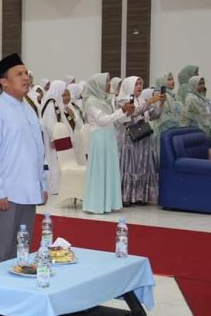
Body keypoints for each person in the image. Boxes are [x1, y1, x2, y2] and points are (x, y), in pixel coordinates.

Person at [0, 54, 47, 265]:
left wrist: (42, 183)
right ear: (3, 81)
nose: (25, 78)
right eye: (18, 74)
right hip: (7, 194)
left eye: (26, 73)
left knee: (22, 248)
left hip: (30, 190)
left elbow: (39, 150)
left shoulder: (28, 108)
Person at [81, 73, 134, 214]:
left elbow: (114, 120)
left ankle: (108, 203)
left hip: (109, 137)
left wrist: (127, 113)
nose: (109, 84)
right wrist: (121, 111)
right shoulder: (91, 101)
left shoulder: (104, 100)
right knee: (100, 170)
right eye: (106, 81)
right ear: (98, 84)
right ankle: (97, 205)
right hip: (99, 138)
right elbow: (103, 120)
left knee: (108, 169)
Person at [115, 76, 163, 206]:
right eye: (136, 84)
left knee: (142, 166)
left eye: (141, 83)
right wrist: (148, 103)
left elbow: (155, 115)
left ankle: (141, 195)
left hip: (144, 138)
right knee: (130, 167)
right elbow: (132, 114)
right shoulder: (122, 101)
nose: (139, 86)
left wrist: (160, 103)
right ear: (129, 85)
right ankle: (127, 196)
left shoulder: (142, 100)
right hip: (129, 140)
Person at [40, 80, 69, 194]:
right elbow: (49, 123)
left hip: (56, 137)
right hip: (52, 138)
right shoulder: (50, 104)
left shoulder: (55, 102)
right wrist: (54, 137)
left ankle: (57, 186)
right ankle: (52, 188)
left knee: (57, 162)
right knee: (52, 162)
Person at [152, 73, 182, 151]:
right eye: (169, 79)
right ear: (162, 82)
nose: (172, 81)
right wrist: (179, 124)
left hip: (172, 130)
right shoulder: (159, 95)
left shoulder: (172, 95)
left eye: (172, 79)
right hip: (164, 131)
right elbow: (164, 116)